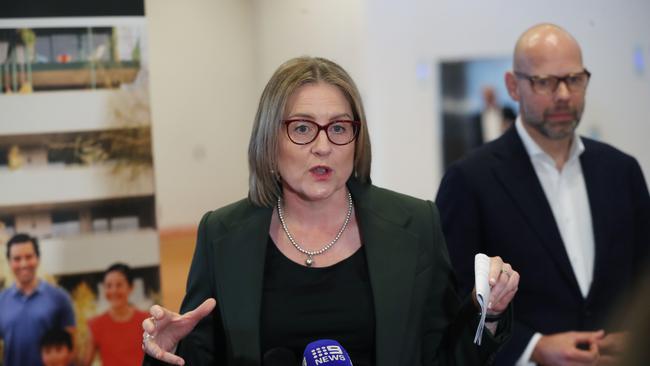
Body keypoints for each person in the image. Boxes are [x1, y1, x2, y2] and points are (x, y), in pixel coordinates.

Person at [141, 56, 520, 366]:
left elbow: (443, 356)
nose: (323, 146)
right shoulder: (222, 234)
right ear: (269, 140)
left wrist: (488, 312)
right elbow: (203, 357)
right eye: (303, 128)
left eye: (339, 128)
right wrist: (168, 351)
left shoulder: (416, 224)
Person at [436, 23, 650, 366]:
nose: (563, 94)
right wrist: (531, 346)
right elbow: (451, 295)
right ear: (513, 86)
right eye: (545, 82)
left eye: (574, 79)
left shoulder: (621, 171)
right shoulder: (470, 179)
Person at [0, 233, 76, 366]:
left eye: (28, 257)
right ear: (9, 262)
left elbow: (71, 348)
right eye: (17, 259)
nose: (23, 264)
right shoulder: (1, 301)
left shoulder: (59, 298)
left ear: (38, 258)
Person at [84, 263, 149, 366]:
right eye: (108, 286)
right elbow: (85, 363)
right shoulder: (95, 324)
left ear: (131, 287)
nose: (113, 290)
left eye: (119, 285)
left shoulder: (147, 321)